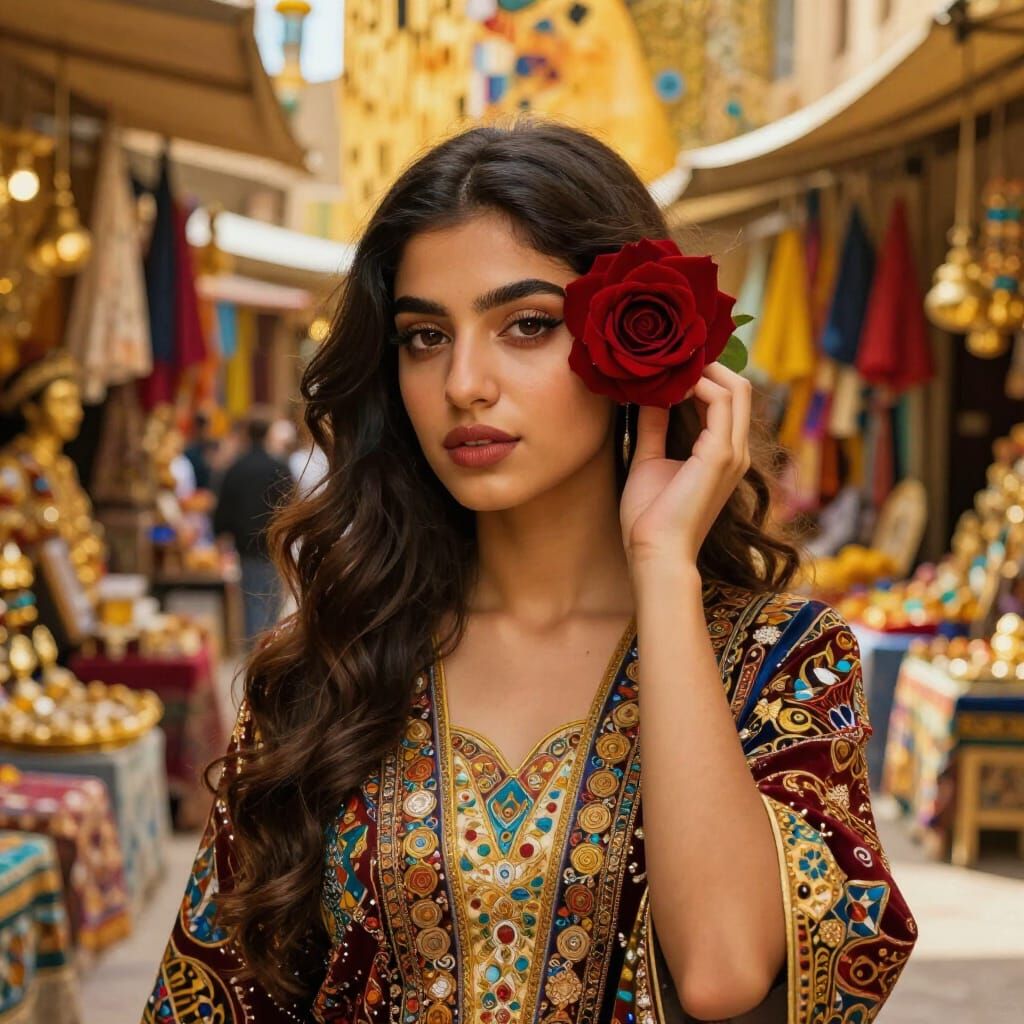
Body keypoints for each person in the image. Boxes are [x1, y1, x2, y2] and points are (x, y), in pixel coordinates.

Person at [144, 122, 916, 1023]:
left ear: (639, 353)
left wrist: (663, 567)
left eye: (527, 325)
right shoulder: (334, 661)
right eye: (425, 336)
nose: (465, 381)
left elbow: (724, 973)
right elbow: (216, 997)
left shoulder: (779, 661)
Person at [212, 406, 292, 644]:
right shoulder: (279, 467)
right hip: (273, 543)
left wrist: (221, 534)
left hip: (245, 544)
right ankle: (270, 646)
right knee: (272, 598)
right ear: (268, 434)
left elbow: (224, 506)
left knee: (251, 599)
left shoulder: (236, 468)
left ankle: (255, 649)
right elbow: (290, 506)